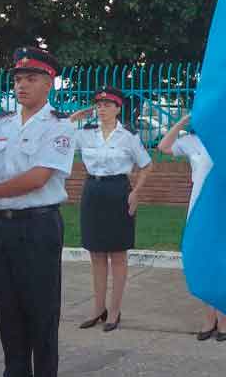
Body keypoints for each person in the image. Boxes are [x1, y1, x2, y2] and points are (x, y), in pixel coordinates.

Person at [0, 47, 75, 377]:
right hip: (0, 228)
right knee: (8, 311)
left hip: (38, 227)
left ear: (49, 83)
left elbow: (38, 177)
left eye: (31, 78)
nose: (22, 85)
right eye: (18, 79)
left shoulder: (59, 127)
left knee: (41, 313)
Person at [72, 86, 152, 332]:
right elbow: (55, 135)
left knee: (117, 254)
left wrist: (136, 192)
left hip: (118, 192)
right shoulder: (85, 133)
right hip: (92, 192)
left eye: (108, 105)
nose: (102, 109)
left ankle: (114, 311)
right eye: (99, 105)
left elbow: (146, 165)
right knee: (96, 254)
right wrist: (75, 118)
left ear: (118, 108)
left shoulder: (128, 136)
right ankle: (98, 309)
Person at [158, 113, 226, 341]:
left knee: (222, 266)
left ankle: (225, 318)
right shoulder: (192, 141)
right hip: (198, 209)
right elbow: (164, 146)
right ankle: (208, 317)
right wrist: (182, 122)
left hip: (222, 209)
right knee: (203, 265)